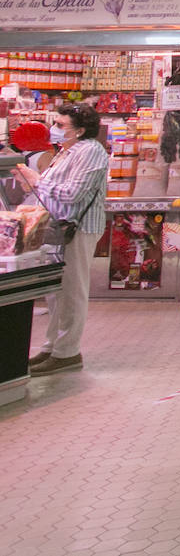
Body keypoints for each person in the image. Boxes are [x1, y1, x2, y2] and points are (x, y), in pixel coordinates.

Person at [17, 103, 108, 376]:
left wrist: (37, 180)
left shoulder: (91, 151)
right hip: (57, 229)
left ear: (80, 130)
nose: (54, 130)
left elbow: (71, 195)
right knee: (56, 293)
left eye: (60, 125)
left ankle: (67, 352)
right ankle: (51, 347)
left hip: (78, 229)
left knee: (71, 291)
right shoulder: (66, 152)